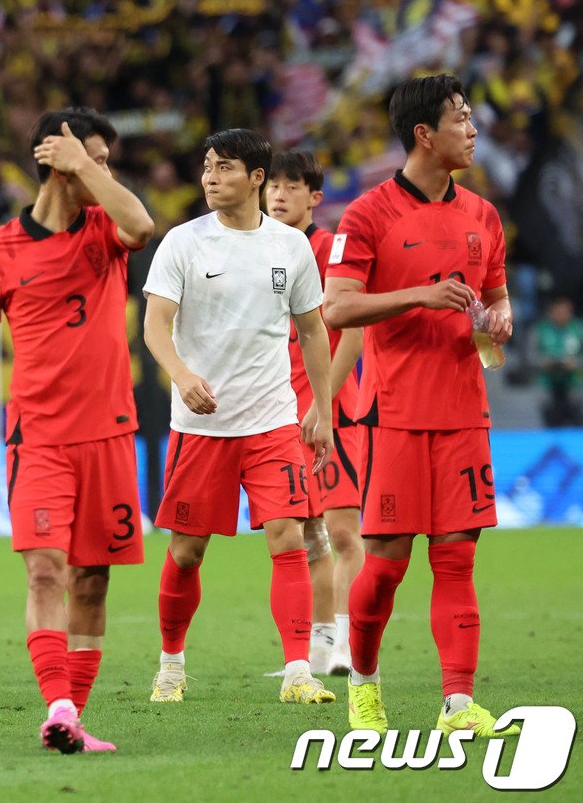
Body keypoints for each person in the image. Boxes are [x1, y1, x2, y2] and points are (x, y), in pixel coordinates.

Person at [0, 110, 155, 753]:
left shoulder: (104, 234)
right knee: (45, 571)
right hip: (39, 439)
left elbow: (141, 225)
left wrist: (85, 163)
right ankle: (58, 704)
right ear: (57, 162)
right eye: (95, 159)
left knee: (92, 580)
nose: (103, 172)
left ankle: (71, 719)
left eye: (106, 163)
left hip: (111, 436)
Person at [324, 73, 519, 738]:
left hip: (464, 408)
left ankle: (458, 705)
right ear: (424, 134)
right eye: (461, 118)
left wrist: (500, 318)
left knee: (457, 557)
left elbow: (495, 295)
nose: (472, 129)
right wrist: (420, 296)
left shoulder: (484, 215)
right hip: (394, 415)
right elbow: (338, 306)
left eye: (472, 116)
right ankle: (365, 689)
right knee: (384, 566)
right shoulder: (368, 214)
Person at [142, 129, 337, 708]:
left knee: (288, 539)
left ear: (255, 178)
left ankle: (299, 671)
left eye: (223, 167)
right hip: (201, 426)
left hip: (273, 420)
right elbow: (154, 325)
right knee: (186, 552)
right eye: (206, 167)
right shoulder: (182, 242)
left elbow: (312, 330)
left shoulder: (289, 248)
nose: (209, 177)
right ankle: (171, 665)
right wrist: (182, 375)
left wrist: (321, 410)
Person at [265, 150, 365, 676]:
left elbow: (353, 327)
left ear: (314, 198)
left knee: (345, 533)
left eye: (291, 186)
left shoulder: (329, 251)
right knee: (306, 536)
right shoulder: (261, 252)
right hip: (279, 414)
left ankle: (349, 645)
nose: (279, 195)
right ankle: (321, 647)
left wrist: (324, 405)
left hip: (332, 414)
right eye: (272, 186)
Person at [533, 296, 583, 427]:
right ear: (551, 312)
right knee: (545, 410)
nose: (561, 315)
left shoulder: (579, 329)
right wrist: (543, 362)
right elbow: (529, 357)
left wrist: (576, 363)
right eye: (558, 312)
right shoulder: (540, 330)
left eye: (565, 312)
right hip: (547, 383)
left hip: (574, 383)